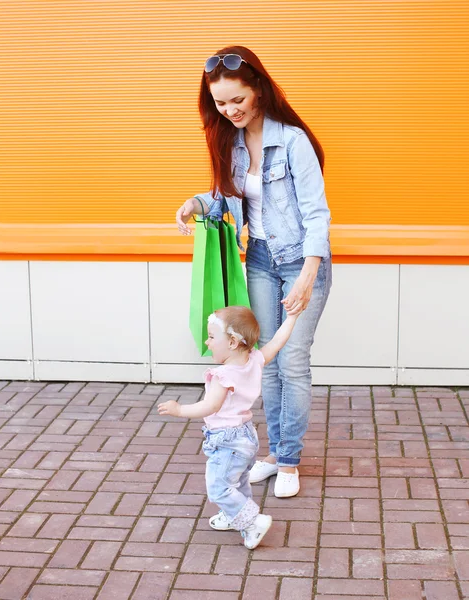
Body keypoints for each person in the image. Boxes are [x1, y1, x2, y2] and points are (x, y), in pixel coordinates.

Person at [176, 46, 332, 498]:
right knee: (264, 362)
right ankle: (273, 452)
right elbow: (226, 197)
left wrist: (307, 273)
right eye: (221, 104)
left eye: (237, 100)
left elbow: (318, 216)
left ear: (259, 91)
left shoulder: (294, 141)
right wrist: (197, 203)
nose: (230, 111)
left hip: (303, 262)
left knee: (294, 361)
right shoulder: (231, 141)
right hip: (260, 259)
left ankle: (289, 460)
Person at [158, 306, 298, 549]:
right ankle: (236, 516)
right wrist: (293, 317)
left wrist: (179, 410)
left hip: (227, 440)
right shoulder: (254, 360)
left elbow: (209, 406)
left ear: (232, 342)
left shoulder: (224, 375)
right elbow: (277, 342)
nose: (207, 341)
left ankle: (253, 522)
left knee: (219, 487)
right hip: (246, 436)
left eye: (212, 337)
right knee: (239, 481)